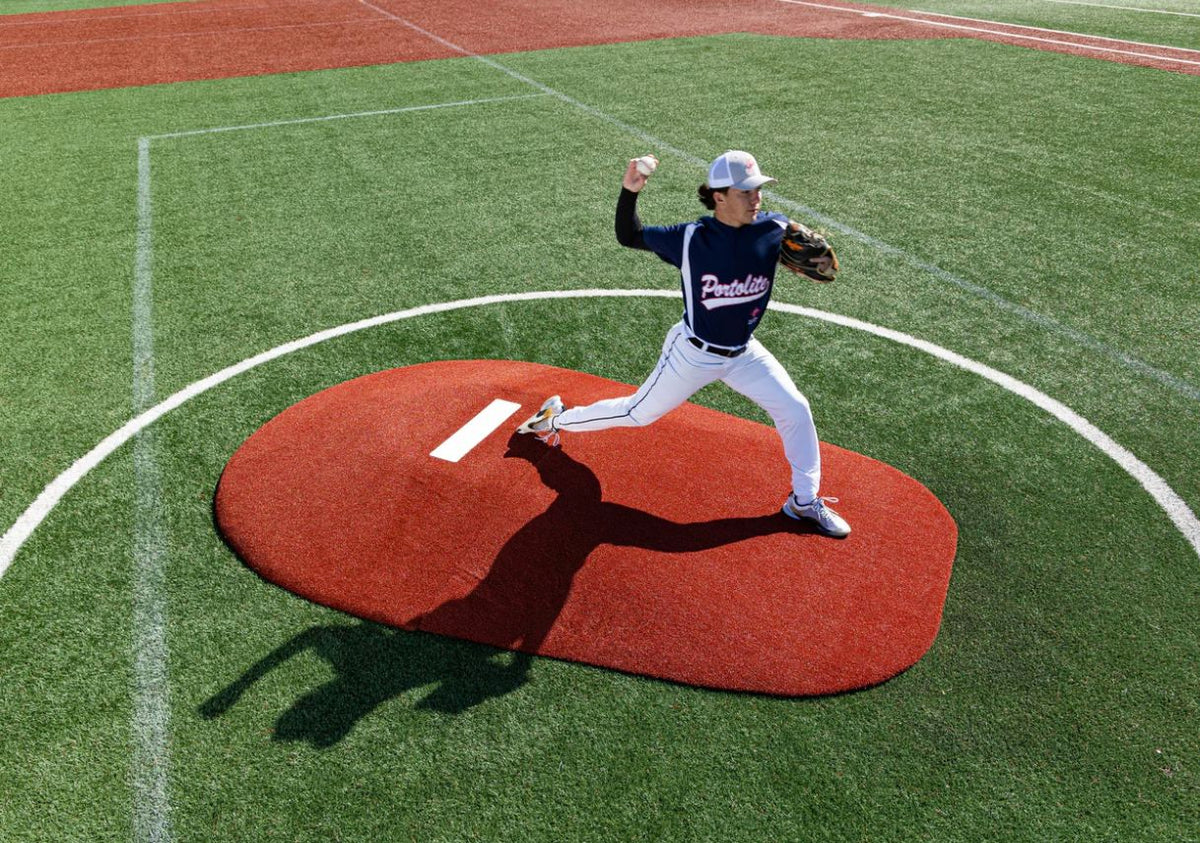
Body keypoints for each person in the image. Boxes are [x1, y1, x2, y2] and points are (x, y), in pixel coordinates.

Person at [517, 150, 850, 538]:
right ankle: (551, 421)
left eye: (758, 189)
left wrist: (814, 258)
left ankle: (804, 502)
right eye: (745, 192)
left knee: (795, 409)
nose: (756, 197)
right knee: (637, 414)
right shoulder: (692, 239)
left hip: (744, 353)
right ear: (719, 196)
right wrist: (630, 191)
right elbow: (630, 236)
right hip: (692, 354)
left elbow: (812, 257)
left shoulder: (775, 229)